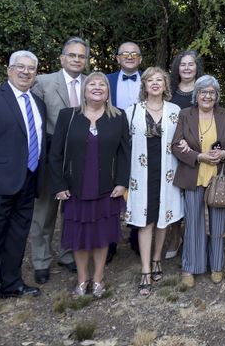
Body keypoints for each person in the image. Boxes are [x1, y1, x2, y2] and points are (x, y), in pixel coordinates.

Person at [49, 72, 130, 298]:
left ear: (107, 91)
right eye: (92, 84)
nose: (97, 87)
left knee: (102, 235)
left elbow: (125, 153)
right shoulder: (69, 116)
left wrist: (122, 182)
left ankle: (98, 279)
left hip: (107, 188)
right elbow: (55, 154)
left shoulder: (118, 116)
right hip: (76, 188)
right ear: (84, 90)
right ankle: (82, 279)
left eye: (102, 84)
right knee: (79, 237)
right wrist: (59, 184)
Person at [0, 51, 45, 322]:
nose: (25, 72)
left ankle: (11, 283)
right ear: (8, 70)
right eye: (20, 67)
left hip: (28, 181)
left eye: (31, 69)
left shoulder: (38, 102)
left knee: (17, 236)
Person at [29, 37, 88, 285]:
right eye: (72, 55)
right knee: (44, 210)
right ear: (62, 58)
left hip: (81, 157)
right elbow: (33, 121)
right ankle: (41, 261)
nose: (76, 60)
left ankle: (67, 254)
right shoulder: (42, 82)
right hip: (50, 155)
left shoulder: (92, 84)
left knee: (72, 210)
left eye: (81, 56)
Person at [172, 75, 225, 286]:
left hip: (218, 178)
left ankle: (216, 266)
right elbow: (175, 146)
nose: (207, 96)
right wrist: (198, 156)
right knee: (193, 224)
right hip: (194, 175)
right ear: (196, 95)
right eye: (203, 92)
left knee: (217, 224)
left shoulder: (224, 115)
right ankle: (190, 267)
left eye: (211, 93)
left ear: (216, 96)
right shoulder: (185, 114)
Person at [126, 67, 184, 295]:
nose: (155, 83)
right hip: (141, 174)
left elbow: (182, 140)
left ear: (165, 85)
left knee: (162, 218)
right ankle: (145, 269)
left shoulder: (175, 110)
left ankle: (157, 258)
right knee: (145, 220)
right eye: (150, 79)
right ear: (145, 84)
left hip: (166, 172)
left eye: (160, 79)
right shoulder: (131, 111)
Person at [164, 50, 204, 259]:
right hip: (172, 152)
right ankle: (175, 236)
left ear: (197, 67)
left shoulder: (204, 91)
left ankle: (193, 239)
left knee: (194, 198)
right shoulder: (169, 92)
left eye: (191, 64)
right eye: (183, 64)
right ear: (177, 68)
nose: (187, 68)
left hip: (197, 154)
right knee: (174, 196)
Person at [106, 41, 142, 261]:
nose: (129, 56)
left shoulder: (151, 80)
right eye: (124, 53)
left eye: (134, 54)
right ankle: (109, 241)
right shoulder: (106, 81)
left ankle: (138, 238)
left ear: (140, 59)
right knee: (110, 189)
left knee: (140, 189)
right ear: (117, 58)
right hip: (112, 142)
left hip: (143, 142)